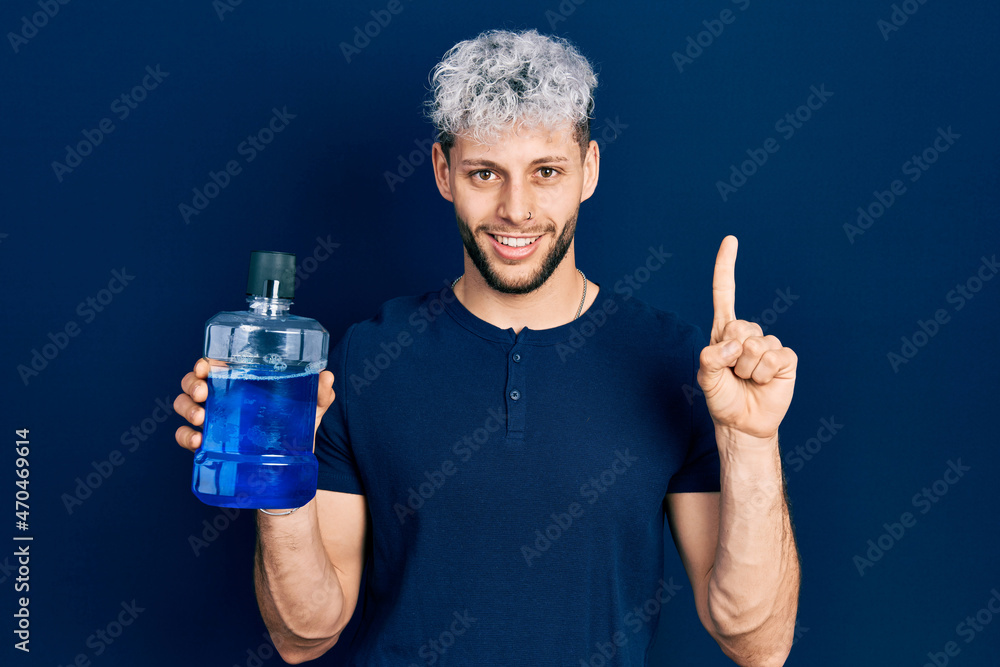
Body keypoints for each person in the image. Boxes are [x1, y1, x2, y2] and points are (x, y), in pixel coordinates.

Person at [174, 29, 800, 666]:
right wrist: (277, 470)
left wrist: (751, 443)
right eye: (485, 173)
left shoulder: (673, 361)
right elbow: (304, 635)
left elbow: (756, 642)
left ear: (589, 170)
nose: (516, 209)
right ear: (445, 172)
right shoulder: (368, 357)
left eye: (546, 172)